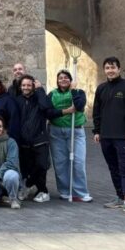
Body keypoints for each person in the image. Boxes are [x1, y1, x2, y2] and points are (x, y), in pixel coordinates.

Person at [92, 56, 125, 216]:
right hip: (106, 136)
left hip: (123, 136)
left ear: (119, 69)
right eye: (107, 68)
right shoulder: (101, 89)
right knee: (113, 167)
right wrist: (97, 131)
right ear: (104, 70)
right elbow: (97, 112)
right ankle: (120, 197)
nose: (110, 70)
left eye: (113, 67)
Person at [14, 75, 61, 203]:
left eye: (29, 85)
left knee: (42, 165)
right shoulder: (17, 100)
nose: (26, 87)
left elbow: (46, 107)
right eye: (24, 85)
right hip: (24, 141)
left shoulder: (40, 98)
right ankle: (37, 189)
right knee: (26, 168)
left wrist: (40, 90)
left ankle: (37, 189)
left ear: (33, 86)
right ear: (20, 87)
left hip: (40, 138)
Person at [48, 70, 90, 202]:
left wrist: (73, 91)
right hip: (56, 132)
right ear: (57, 80)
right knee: (60, 163)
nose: (63, 80)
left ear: (71, 80)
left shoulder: (79, 92)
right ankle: (65, 190)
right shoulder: (52, 94)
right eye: (60, 78)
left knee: (78, 162)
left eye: (66, 78)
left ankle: (80, 192)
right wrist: (65, 111)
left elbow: (79, 106)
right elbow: (49, 112)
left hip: (75, 131)